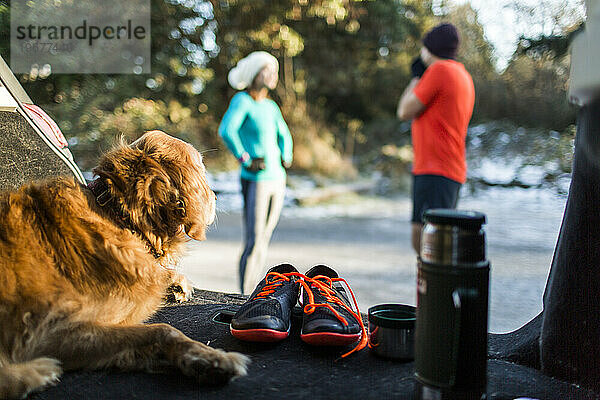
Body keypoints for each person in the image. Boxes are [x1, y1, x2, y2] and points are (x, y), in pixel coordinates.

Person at [218, 51, 293, 294]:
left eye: (275, 70)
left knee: (265, 239)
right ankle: (243, 295)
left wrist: (286, 156)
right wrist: (244, 157)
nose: (273, 75)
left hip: (277, 180)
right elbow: (227, 130)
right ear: (254, 74)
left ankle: (255, 294)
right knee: (254, 241)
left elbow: (284, 134)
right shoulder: (243, 101)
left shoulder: (271, 106)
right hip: (256, 180)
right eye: (267, 70)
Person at [396, 23, 475, 254]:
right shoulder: (463, 74)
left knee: (426, 243)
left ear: (431, 49)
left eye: (423, 48)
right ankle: (433, 288)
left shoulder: (439, 71)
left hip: (434, 170)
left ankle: (435, 290)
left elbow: (403, 111)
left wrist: (415, 78)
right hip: (447, 170)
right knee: (436, 242)